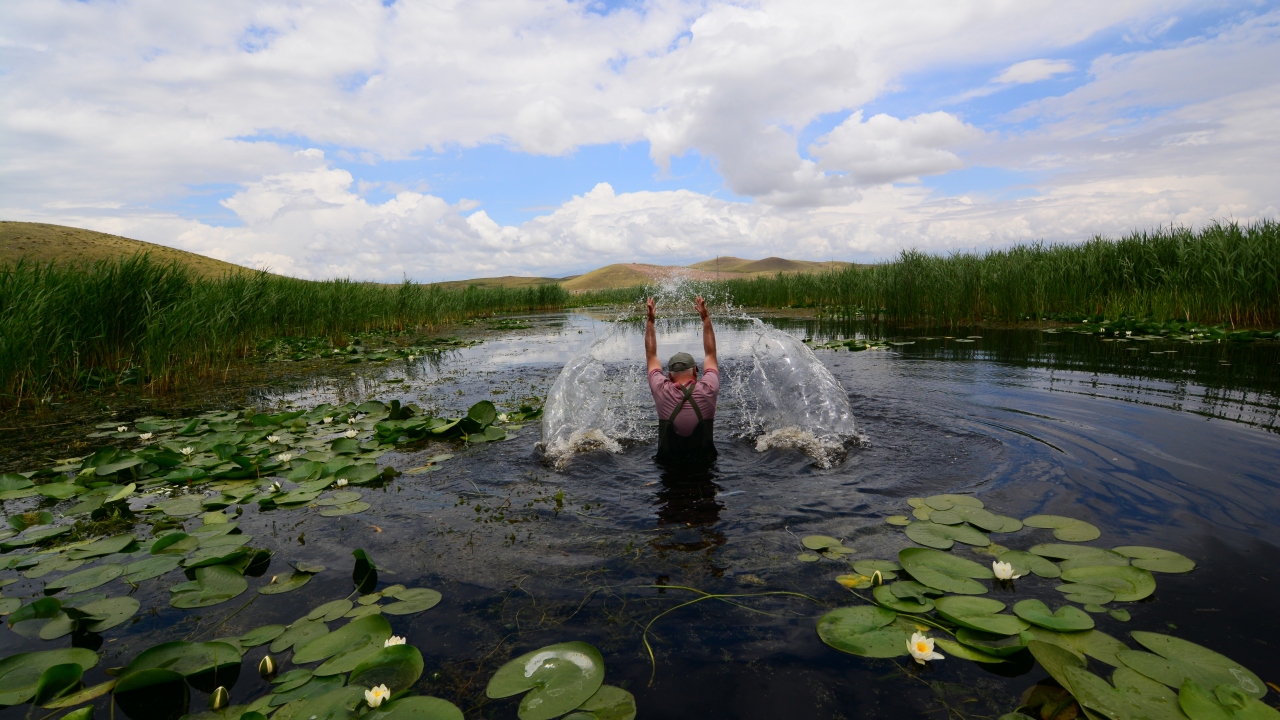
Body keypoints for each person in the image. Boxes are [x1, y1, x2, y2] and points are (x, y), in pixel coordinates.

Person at [645, 295, 719, 464]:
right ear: (695, 371)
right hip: (705, 473)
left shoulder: (661, 390)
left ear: (669, 376)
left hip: (668, 474)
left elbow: (651, 356)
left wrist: (650, 321)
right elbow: (711, 354)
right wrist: (705, 318)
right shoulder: (709, 388)